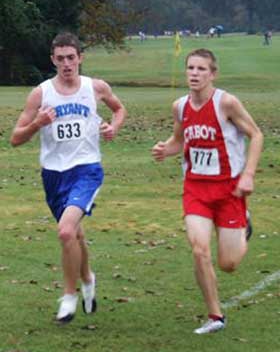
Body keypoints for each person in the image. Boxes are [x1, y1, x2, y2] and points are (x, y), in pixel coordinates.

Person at [10, 32, 127, 323]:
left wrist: (113, 126)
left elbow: (119, 109)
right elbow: (15, 138)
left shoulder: (95, 87)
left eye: (71, 58)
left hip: (86, 170)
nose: (66, 64)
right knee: (74, 234)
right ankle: (87, 277)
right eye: (60, 58)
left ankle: (69, 296)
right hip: (53, 175)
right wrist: (38, 123)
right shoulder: (41, 93)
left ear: (80, 58)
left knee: (65, 231)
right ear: (53, 60)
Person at [152, 48, 263, 334]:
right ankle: (215, 316)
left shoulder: (226, 103)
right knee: (199, 249)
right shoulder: (180, 106)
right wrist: (166, 149)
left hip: (230, 191)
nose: (194, 74)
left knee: (229, 264)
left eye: (201, 69)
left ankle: (244, 224)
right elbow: (179, 141)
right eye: (190, 68)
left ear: (212, 74)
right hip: (196, 189)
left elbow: (256, 134)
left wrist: (248, 175)